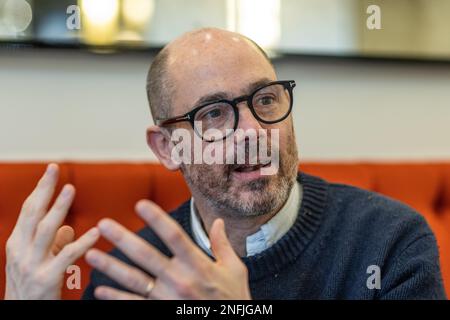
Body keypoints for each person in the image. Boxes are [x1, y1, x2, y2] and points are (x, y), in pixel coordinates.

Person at [4, 28, 446, 300]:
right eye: (213, 113)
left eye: (266, 99)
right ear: (167, 148)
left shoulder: (389, 242)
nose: (254, 131)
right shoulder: (130, 272)